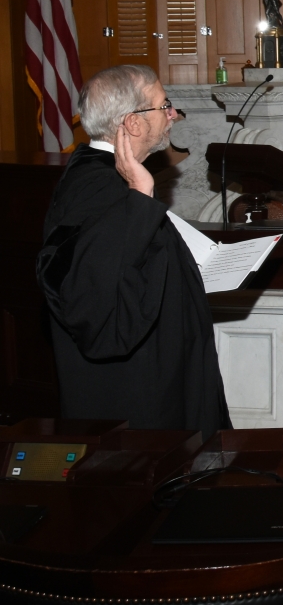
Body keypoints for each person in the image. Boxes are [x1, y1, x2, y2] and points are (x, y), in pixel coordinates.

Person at [36, 65, 231, 440]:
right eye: (164, 105)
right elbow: (95, 304)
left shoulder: (104, 178)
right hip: (138, 397)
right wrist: (141, 197)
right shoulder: (99, 187)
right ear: (134, 123)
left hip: (157, 374)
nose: (172, 115)